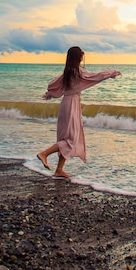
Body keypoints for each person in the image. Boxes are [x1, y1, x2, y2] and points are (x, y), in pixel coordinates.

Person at [37, 46, 121, 178]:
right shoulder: (78, 73)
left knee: (66, 138)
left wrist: (49, 95)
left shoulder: (68, 72)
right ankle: (44, 154)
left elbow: (55, 85)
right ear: (78, 57)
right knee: (70, 139)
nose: (83, 55)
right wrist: (111, 73)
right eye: (81, 54)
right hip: (71, 105)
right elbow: (94, 76)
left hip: (66, 104)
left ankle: (59, 169)